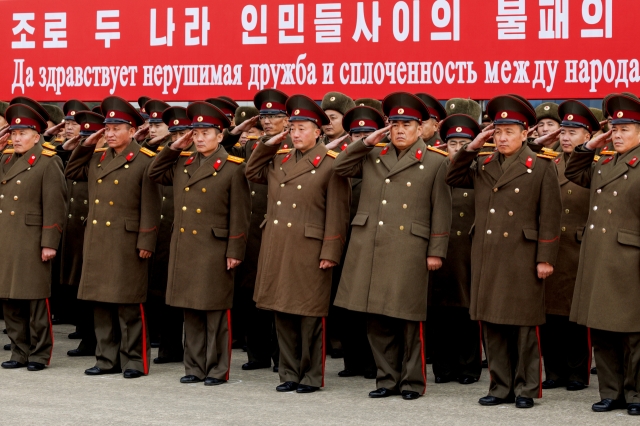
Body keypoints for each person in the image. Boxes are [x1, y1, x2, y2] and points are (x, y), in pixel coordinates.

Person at [333, 92, 452, 400]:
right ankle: (386, 379)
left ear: (420, 128)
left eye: (407, 124)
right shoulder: (374, 155)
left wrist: (436, 251)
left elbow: (442, 209)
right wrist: (366, 142)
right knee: (376, 318)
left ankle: (411, 382)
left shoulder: (436, 161)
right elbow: (339, 167)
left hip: (409, 248)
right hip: (372, 246)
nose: (400, 130)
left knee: (408, 320)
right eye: (395, 124)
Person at [446, 95, 562, 409]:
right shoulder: (483, 164)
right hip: (488, 254)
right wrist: (472, 146)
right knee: (492, 323)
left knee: (523, 327)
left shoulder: (539, 166)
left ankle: (525, 388)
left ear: (526, 133)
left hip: (522, 256)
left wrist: (545, 258)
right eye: (497, 132)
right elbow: (452, 177)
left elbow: (550, 215)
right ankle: (500, 387)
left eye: (509, 131)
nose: (502, 138)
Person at [245, 94, 351, 393]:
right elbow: (251, 172)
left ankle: (311, 376)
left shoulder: (331, 164)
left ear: (318, 131)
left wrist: (331, 251)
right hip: (279, 245)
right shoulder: (279, 158)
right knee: (281, 312)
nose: (295, 134)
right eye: (292, 128)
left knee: (309, 316)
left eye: (302, 128)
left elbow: (338, 214)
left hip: (310, 249)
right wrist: (270, 142)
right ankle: (289, 374)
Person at [149, 101, 250, 386]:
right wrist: (174, 147)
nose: (200, 138)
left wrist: (234, 251)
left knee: (214, 312)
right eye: (196, 133)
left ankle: (216, 369)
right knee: (190, 309)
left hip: (214, 249)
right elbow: (154, 173)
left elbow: (240, 216)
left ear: (221, 136)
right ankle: (193, 367)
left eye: (207, 132)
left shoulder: (232, 167)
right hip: (185, 248)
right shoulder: (183, 162)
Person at [65, 96, 162, 379]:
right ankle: (106, 358)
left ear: (132, 131)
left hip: (127, 242)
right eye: (106, 129)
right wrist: (87, 143)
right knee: (101, 303)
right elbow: (72, 171)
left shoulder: (144, 160)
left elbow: (151, 206)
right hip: (99, 240)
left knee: (128, 305)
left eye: (115, 128)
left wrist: (146, 241)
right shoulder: (98, 158)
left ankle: (133, 361)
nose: (109, 133)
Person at [565, 93, 640, 416]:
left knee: (633, 334)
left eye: (626, 128)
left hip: (629, 262)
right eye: (615, 129)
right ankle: (611, 392)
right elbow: (574, 172)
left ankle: (636, 393)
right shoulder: (605, 162)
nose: (618, 134)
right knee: (603, 330)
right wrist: (591, 145)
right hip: (599, 259)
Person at [224, 89, 291, 372]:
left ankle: (282, 357)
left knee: (279, 295)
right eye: (263, 116)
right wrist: (236, 130)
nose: (266, 121)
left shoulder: (295, 146)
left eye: (273, 116)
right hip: (252, 231)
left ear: (288, 120)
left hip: (281, 229)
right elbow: (223, 150)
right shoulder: (251, 147)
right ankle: (257, 355)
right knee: (252, 293)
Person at [540, 101, 601, 393]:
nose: (565, 137)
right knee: (549, 313)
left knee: (576, 316)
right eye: (563, 131)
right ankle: (553, 371)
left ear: (588, 136)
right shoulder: (549, 163)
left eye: (573, 132)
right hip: (551, 248)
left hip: (579, 247)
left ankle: (577, 373)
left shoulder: (598, 164)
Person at [0, 103, 66, 371]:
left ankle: (39, 354)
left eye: (22, 133)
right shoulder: (4, 159)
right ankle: (19, 352)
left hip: (31, 240)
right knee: (9, 300)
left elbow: (56, 205)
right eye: (13, 133)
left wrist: (49, 243)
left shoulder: (48, 161)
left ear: (37, 135)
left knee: (35, 299)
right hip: (7, 238)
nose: (16, 138)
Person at [332, 105, 387, 380]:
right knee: (345, 306)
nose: (362, 138)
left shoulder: (381, 160)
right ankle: (352, 361)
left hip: (369, 241)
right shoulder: (351, 158)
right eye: (356, 134)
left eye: (368, 133)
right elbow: (339, 166)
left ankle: (371, 363)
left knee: (368, 305)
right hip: (341, 241)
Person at [430, 109, 483, 386]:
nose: (458, 149)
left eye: (464, 144)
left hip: (470, 251)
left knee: (468, 313)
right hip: (442, 251)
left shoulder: (480, 172)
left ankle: (469, 367)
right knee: (441, 313)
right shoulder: (436, 170)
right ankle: (443, 367)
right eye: (453, 144)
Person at [58, 109, 104, 358]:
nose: (88, 139)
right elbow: (69, 169)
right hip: (77, 232)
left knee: (93, 291)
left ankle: (94, 339)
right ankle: (87, 337)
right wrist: (81, 145)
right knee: (79, 288)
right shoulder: (86, 158)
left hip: (96, 233)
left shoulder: (106, 161)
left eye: (92, 134)